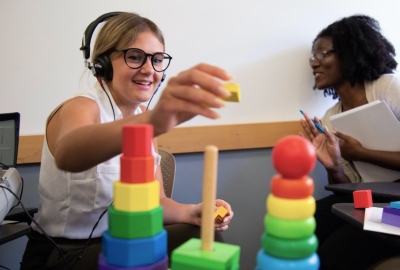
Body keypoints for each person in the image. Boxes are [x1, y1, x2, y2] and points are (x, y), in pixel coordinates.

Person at [20, 12, 234, 269]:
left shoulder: (143, 117)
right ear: (103, 63)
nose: (149, 70)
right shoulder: (80, 107)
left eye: (157, 60)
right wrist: (152, 122)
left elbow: (155, 201)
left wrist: (193, 212)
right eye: (135, 57)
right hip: (65, 253)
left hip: (126, 244)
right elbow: (68, 153)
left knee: (201, 237)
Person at [300, 14, 400, 269]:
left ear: (350, 53)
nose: (314, 62)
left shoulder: (387, 88)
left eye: (322, 54)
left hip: (396, 210)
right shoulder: (330, 119)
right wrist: (333, 166)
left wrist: (361, 153)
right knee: (306, 224)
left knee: (337, 251)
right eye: (313, 56)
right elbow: (349, 188)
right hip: (371, 200)